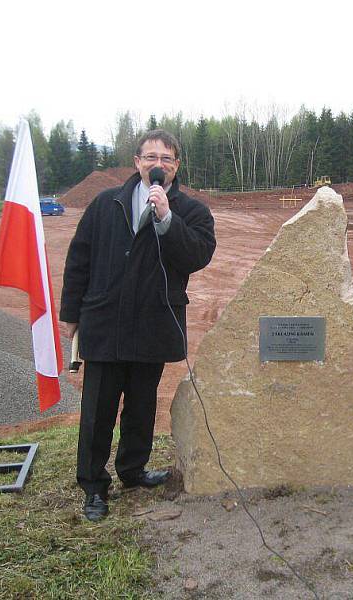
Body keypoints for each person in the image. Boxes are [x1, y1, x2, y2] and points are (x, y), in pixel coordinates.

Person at [60, 129, 216, 521]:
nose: (158, 164)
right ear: (136, 162)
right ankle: (93, 486)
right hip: (105, 323)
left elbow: (197, 255)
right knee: (98, 410)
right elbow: (79, 258)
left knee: (142, 406)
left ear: (176, 166)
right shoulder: (104, 203)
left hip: (152, 324)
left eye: (166, 158)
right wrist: (70, 314)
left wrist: (167, 217)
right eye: (150, 157)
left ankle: (133, 471)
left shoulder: (190, 211)